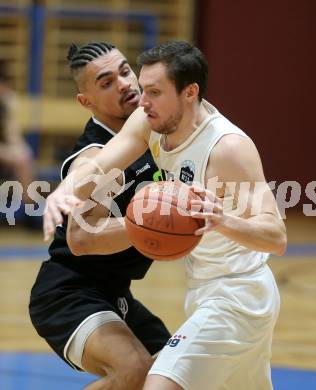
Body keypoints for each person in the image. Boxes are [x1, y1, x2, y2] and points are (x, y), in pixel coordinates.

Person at [44, 41, 287, 390]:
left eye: (154, 92)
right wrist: (64, 192)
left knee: (156, 383)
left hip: (239, 296)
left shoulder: (228, 148)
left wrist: (222, 219)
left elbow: (276, 237)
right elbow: (99, 163)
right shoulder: (150, 123)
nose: (141, 100)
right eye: (143, 89)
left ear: (189, 92)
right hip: (203, 291)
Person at [29, 42, 171, 390]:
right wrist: (146, 221)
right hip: (67, 292)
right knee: (134, 371)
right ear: (85, 101)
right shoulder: (94, 157)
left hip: (116, 293)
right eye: (106, 82)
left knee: (177, 375)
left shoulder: (153, 132)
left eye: (125, 71)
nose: (124, 84)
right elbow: (81, 239)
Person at [0, 60, 35, 213]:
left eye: (5, 86)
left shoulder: (8, 102)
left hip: (5, 149)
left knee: (24, 155)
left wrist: (16, 151)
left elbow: (13, 134)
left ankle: (29, 207)